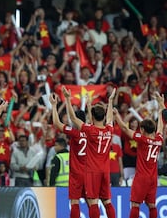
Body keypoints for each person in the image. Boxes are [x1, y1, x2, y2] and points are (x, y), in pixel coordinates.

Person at [63, 86, 116, 218]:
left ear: (91, 117)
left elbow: (73, 118)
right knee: (107, 201)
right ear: (103, 117)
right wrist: (110, 101)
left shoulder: (90, 131)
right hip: (105, 170)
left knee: (93, 202)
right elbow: (110, 119)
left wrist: (68, 99)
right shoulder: (109, 130)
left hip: (93, 170)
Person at [114, 92, 165, 218]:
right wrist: (160, 106)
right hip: (153, 178)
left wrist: (116, 116)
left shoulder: (142, 139)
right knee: (152, 205)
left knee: (135, 204)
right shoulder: (159, 140)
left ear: (142, 130)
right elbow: (161, 127)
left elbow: (125, 129)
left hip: (142, 177)